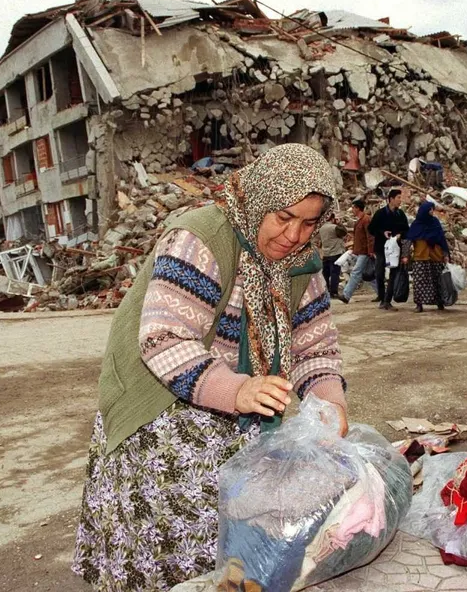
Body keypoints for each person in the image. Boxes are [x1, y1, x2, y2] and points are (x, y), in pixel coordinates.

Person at [72, 144, 349, 591]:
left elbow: (313, 345)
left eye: (309, 222)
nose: (295, 235)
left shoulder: (301, 262)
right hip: (162, 409)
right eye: (283, 217)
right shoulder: (201, 238)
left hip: (239, 408)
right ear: (258, 200)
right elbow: (165, 339)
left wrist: (328, 400)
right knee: (171, 547)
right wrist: (236, 390)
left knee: (238, 537)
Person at [404, 201, 450, 312]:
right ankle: (419, 305)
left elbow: (442, 239)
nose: (431, 212)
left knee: (437, 281)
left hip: (436, 256)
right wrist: (405, 255)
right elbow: (408, 240)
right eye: (430, 210)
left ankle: (440, 302)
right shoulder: (416, 225)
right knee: (419, 282)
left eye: (432, 210)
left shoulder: (435, 222)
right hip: (420, 257)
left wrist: (445, 254)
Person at [368, 188, 409, 310]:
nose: (400, 200)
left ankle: (387, 300)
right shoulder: (380, 213)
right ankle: (382, 297)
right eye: (398, 198)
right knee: (379, 273)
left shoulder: (400, 214)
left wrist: (400, 235)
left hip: (395, 249)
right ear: (391, 199)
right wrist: (382, 232)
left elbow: (406, 229)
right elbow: (371, 229)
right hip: (381, 248)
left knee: (393, 274)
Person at [338, 199, 376, 303]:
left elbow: (370, 236)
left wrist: (371, 250)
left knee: (356, 272)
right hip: (361, 251)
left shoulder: (366, 220)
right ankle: (382, 294)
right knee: (369, 275)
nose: (352, 210)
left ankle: (346, 295)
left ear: (358, 208)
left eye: (353, 208)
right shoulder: (360, 220)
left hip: (365, 252)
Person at [319, 213, 348, 298]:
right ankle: (334, 292)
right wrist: (339, 223)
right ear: (332, 219)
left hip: (326, 253)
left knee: (326, 273)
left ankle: (326, 291)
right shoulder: (334, 227)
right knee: (335, 273)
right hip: (335, 252)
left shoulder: (321, 228)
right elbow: (344, 232)